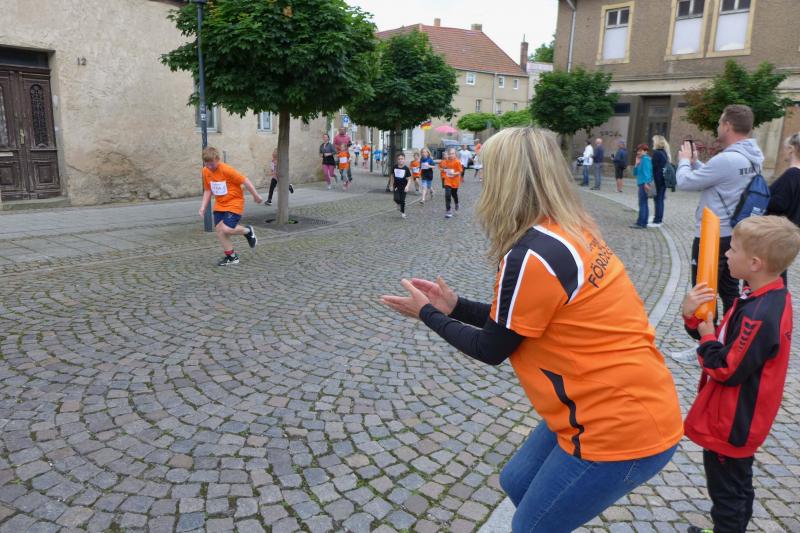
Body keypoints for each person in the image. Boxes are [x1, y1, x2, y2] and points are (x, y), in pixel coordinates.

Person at [380, 127, 682, 533]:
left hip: (619, 427)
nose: (482, 179)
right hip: (605, 401)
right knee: (516, 481)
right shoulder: (570, 228)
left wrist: (428, 315)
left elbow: (491, 347)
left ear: (507, 180)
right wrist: (454, 307)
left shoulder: (533, 254)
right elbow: (518, 322)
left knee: (530, 526)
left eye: (489, 170)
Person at [681, 215, 800, 533]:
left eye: (733, 249)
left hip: (733, 421)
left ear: (755, 263)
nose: (726, 254)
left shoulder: (759, 313)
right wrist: (694, 319)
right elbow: (726, 339)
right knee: (738, 487)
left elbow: (726, 367)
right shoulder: (762, 296)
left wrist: (706, 335)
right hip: (739, 416)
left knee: (728, 495)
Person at [677, 104, 765, 316]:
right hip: (735, 235)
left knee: (704, 292)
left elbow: (684, 182)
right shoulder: (753, 156)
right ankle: (730, 332)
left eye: (719, 123)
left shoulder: (726, 159)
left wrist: (684, 162)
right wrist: (696, 164)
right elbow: (720, 177)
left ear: (727, 125)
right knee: (729, 289)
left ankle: (706, 335)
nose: (717, 127)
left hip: (712, 235)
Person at [198, 146, 263, 266]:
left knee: (226, 228)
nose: (210, 167)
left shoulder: (226, 170)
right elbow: (208, 190)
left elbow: (245, 180)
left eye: (212, 164)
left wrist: (256, 195)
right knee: (220, 230)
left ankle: (247, 231)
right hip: (220, 205)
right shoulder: (205, 171)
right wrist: (203, 207)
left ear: (218, 159)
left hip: (234, 203)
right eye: (207, 164)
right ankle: (232, 257)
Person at [650, 135, 671, 227]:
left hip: (657, 179)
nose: (653, 143)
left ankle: (657, 220)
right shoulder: (664, 153)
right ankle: (659, 219)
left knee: (658, 199)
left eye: (653, 141)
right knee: (660, 199)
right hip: (663, 179)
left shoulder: (657, 153)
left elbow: (653, 167)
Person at [632, 143, 653, 229]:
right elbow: (635, 173)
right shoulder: (642, 160)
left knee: (643, 203)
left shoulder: (646, 159)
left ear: (645, 151)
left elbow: (647, 173)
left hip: (644, 184)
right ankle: (642, 222)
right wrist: (636, 164)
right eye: (638, 151)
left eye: (640, 151)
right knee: (643, 203)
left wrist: (646, 183)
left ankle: (641, 223)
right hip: (641, 183)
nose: (638, 152)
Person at [439, 147, 463, 218]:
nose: (451, 155)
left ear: (455, 154)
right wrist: (443, 169)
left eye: (452, 154)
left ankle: (456, 203)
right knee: (447, 195)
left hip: (455, 181)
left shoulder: (457, 162)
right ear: (448, 154)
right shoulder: (446, 161)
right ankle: (448, 210)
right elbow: (442, 168)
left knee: (454, 194)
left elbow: (460, 171)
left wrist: (454, 173)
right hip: (447, 180)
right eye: (450, 154)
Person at [392, 153, 412, 219]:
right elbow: (392, 176)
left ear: (404, 160)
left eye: (402, 159)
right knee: (396, 199)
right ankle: (398, 203)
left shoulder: (406, 169)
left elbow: (409, 179)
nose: (400, 160)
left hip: (404, 187)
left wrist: (407, 186)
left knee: (402, 200)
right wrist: (391, 185)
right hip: (396, 186)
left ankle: (403, 213)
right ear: (397, 160)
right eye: (399, 159)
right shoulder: (394, 167)